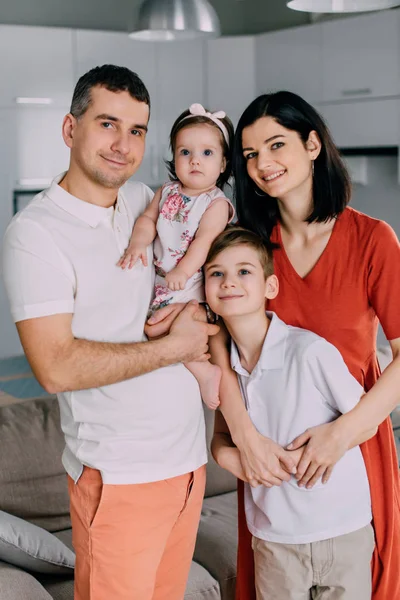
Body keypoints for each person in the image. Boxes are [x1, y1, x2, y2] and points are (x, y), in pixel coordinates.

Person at [1, 64, 220, 600]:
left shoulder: (146, 198)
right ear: (70, 129)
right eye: (107, 124)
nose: (123, 144)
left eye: (138, 130)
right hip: (120, 479)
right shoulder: (36, 235)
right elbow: (55, 368)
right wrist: (175, 348)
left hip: (189, 467)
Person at [204, 91, 400, 600]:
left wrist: (341, 435)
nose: (263, 164)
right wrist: (243, 438)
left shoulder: (373, 240)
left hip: (355, 450)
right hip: (269, 463)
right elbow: (217, 347)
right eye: (249, 155)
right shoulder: (245, 248)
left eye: (276, 145)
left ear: (313, 144)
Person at [206, 226, 376, 599]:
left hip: (343, 531)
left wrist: (330, 442)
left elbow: (367, 419)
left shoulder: (308, 351)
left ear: (270, 287)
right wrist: (234, 459)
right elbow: (220, 438)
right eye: (216, 272)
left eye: (244, 271)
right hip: (275, 541)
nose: (228, 281)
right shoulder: (223, 372)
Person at [117, 103, 235, 409]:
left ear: (223, 163)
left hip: (192, 285)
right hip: (164, 284)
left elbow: (204, 241)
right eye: (185, 152)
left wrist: (182, 271)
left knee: (163, 329)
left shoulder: (216, 203)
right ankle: (194, 366)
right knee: (153, 328)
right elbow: (146, 220)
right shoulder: (166, 191)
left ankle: (204, 370)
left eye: (207, 153)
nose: (195, 160)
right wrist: (137, 244)